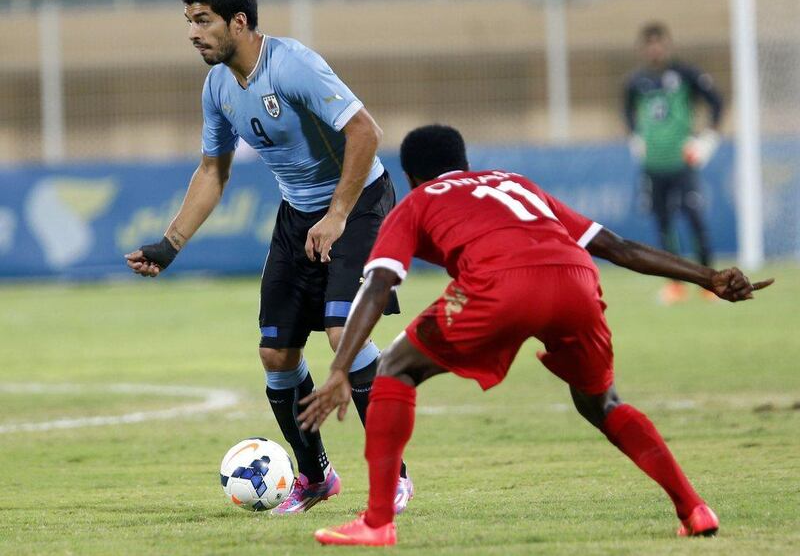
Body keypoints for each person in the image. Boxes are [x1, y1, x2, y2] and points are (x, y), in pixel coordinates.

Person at [298, 125, 773, 546]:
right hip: (577, 282)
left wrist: (340, 368)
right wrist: (706, 277)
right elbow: (615, 246)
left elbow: (380, 283)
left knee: (395, 369)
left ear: (411, 178)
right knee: (601, 402)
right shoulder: (515, 184)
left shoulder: (418, 201)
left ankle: (378, 522)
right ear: (465, 163)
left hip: (499, 285)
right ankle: (694, 508)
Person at [123, 0, 413, 515]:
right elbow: (213, 170)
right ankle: (316, 476)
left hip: (360, 202)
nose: (193, 32)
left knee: (339, 330)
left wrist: (338, 213)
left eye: (202, 20)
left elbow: (366, 132)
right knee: (276, 353)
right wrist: (171, 243)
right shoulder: (216, 86)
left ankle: (392, 474)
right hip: (298, 215)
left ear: (240, 21)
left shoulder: (292, 65)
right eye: (188, 22)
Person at [624, 22, 724, 304]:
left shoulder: (686, 74)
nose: (655, 48)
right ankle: (675, 285)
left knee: (694, 218)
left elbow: (716, 102)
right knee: (663, 224)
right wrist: (635, 138)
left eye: (659, 42)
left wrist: (707, 139)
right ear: (643, 49)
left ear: (668, 45)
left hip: (682, 163)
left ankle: (709, 284)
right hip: (654, 166)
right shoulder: (636, 82)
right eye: (650, 43)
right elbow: (626, 111)